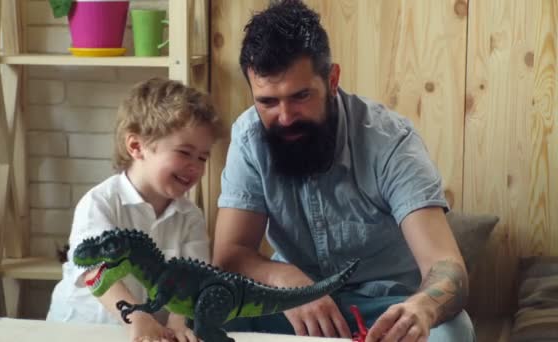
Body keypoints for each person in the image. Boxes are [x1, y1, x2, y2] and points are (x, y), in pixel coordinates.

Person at [212, 1, 474, 341]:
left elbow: (447, 267)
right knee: (208, 319)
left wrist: (422, 308)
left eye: (301, 95)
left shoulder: (391, 142)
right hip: (291, 308)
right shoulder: (248, 139)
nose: (286, 117)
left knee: (455, 332)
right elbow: (229, 255)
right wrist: (286, 280)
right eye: (267, 102)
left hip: (387, 308)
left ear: (332, 79)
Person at [47, 77, 223, 342]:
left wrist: (178, 323)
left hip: (148, 335)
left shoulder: (190, 216)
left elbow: (191, 280)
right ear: (136, 146)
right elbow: (96, 271)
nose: (195, 167)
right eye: (185, 153)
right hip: (80, 331)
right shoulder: (101, 203)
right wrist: (137, 315)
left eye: (202, 157)